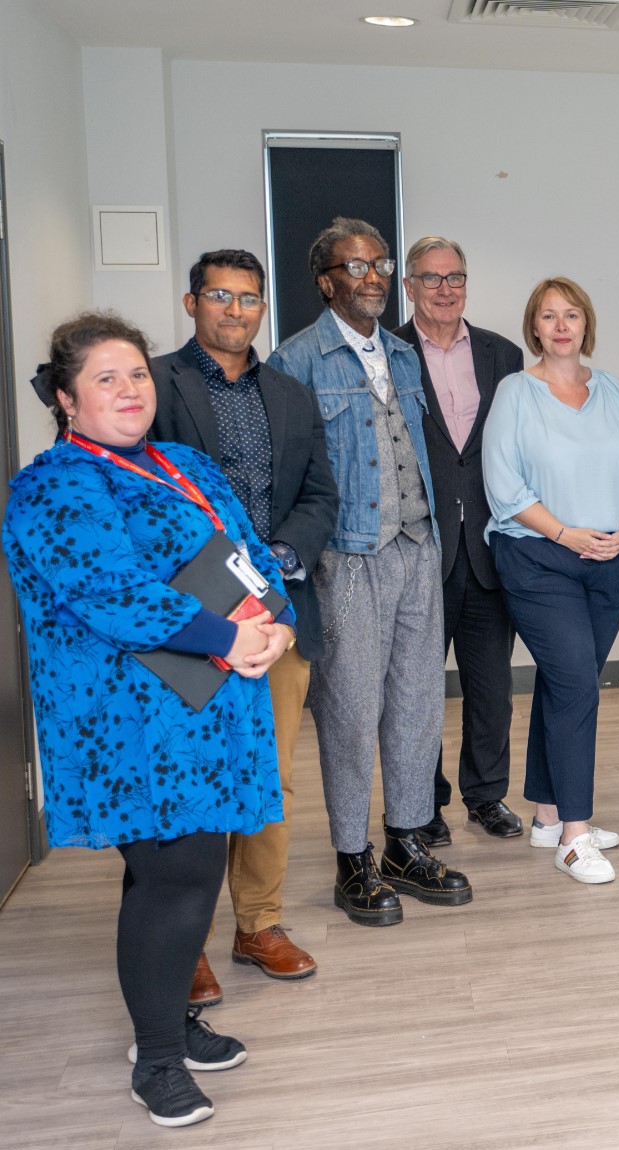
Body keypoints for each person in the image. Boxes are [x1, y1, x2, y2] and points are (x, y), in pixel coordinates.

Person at [6, 312, 293, 1127]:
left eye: (137, 374)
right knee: (177, 878)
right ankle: (157, 1063)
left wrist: (276, 624)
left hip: (213, 708)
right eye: (105, 377)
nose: (129, 390)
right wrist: (230, 635)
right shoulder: (55, 484)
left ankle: (167, 1026)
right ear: (65, 398)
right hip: (131, 725)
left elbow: (252, 556)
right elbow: (113, 592)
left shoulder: (183, 462)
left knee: (178, 874)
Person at [268, 216, 471, 925]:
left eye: (381, 264)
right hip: (347, 556)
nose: (375, 277)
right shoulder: (295, 362)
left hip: (418, 548)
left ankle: (406, 842)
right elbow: (286, 476)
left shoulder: (405, 355)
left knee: (417, 705)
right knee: (351, 714)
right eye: (357, 267)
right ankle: (352, 858)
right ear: (326, 282)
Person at [151, 249, 336, 992]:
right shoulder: (154, 385)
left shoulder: (290, 394)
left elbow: (320, 494)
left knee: (269, 778)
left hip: (277, 615)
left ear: (264, 307)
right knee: (190, 780)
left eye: (249, 298)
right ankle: (180, 938)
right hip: (187, 622)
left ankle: (258, 924)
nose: (236, 310)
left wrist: (279, 556)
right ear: (191, 302)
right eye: (220, 296)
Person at [484, 278, 619, 884]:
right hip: (538, 558)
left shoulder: (611, 390)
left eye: (572, 314)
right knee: (577, 683)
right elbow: (504, 490)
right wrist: (566, 534)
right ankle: (576, 838)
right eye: (549, 316)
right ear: (533, 326)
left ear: (587, 324)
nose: (562, 326)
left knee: (569, 684)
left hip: (612, 560)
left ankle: (548, 816)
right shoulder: (515, 393)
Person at [392, 236, 526, 844]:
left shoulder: (503, 354)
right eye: (432, 278)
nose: (446, 289)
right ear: (410, 287)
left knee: (491, 687)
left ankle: (486, 795)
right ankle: (422, 803)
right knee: (416, 692)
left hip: (491, 546)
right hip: (419, 546)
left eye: (456, 278)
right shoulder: (387, 353)